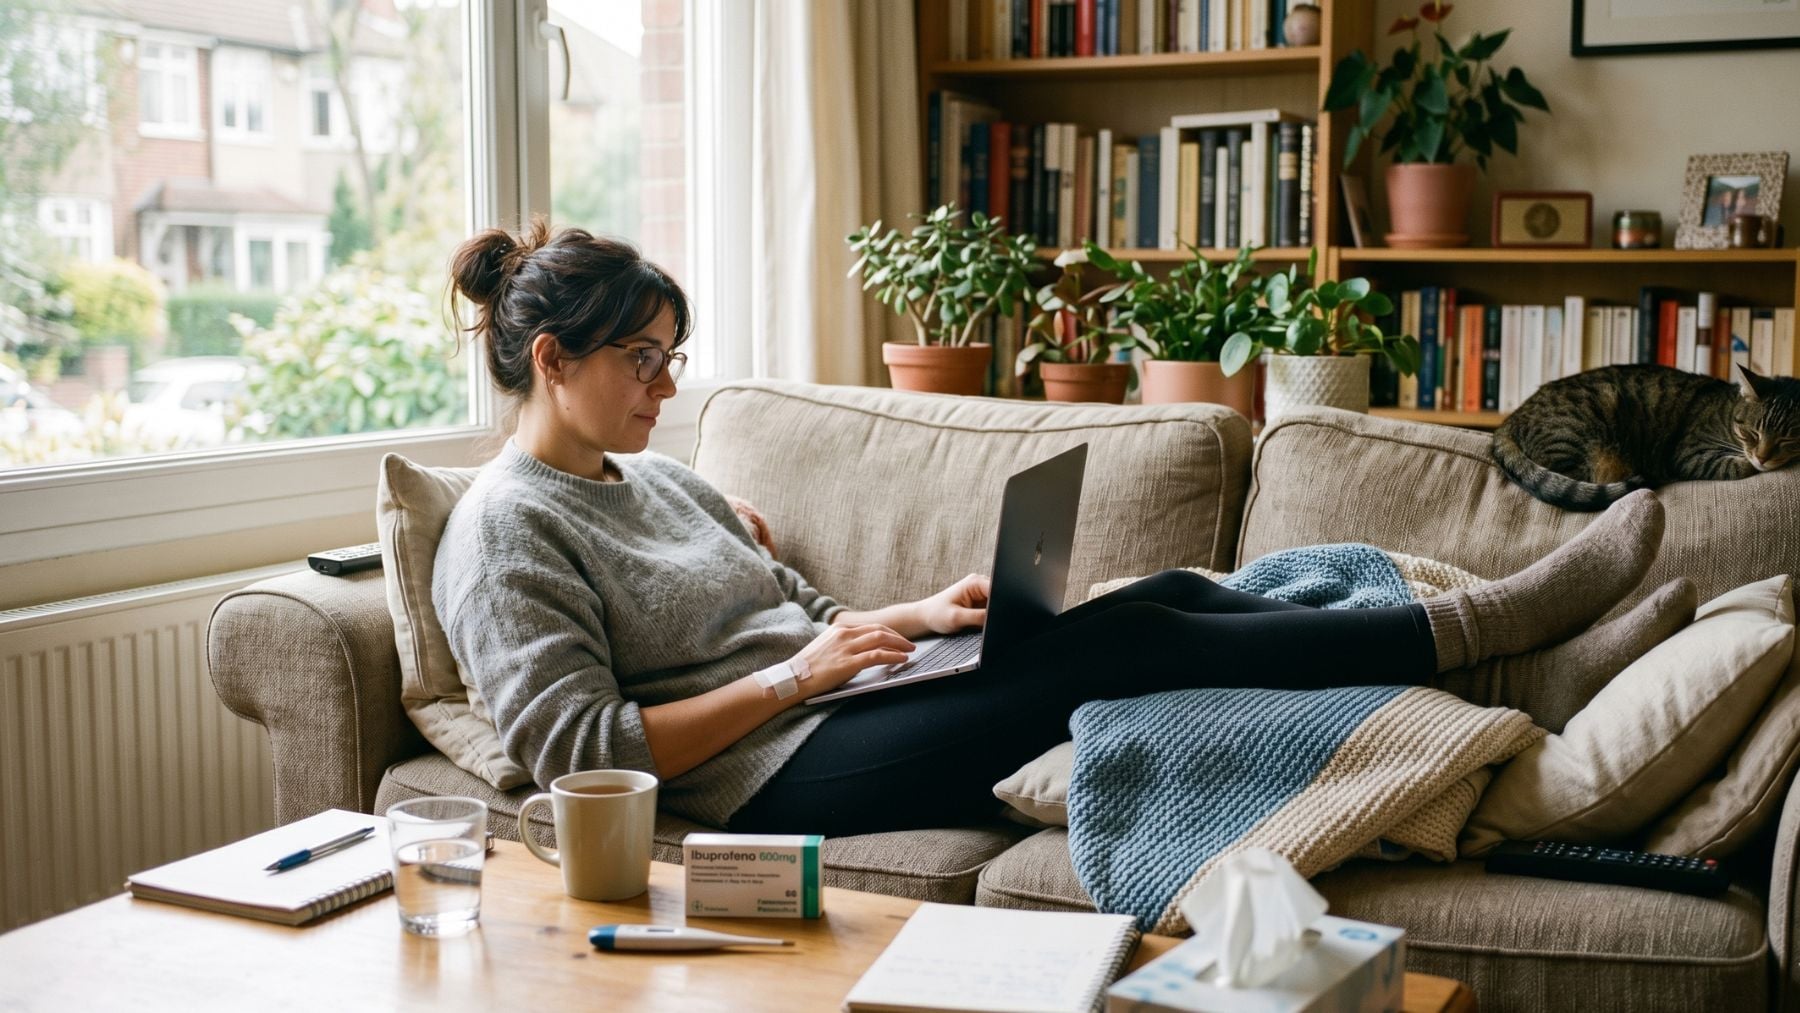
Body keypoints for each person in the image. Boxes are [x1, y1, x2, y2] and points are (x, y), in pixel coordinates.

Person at [435, 223, 1694, 838]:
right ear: (551, 359)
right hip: (757, 781)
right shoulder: (505, 532)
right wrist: (794, 678)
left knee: (1174, 596)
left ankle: (1528, 663)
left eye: (672, 357)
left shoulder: (654, 477)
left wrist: (912, 620)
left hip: (832, 705)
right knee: (1116, 647)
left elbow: (806, 616)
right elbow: (580, 754)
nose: (665, 384)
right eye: (640, 359)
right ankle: (1506, 624)